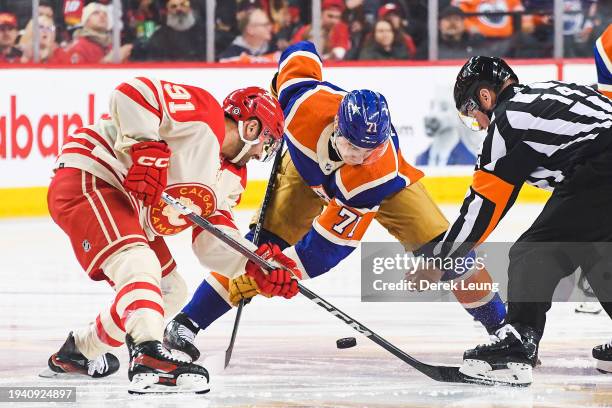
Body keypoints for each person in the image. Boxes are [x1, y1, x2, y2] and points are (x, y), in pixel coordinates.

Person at [162, 40, 507, 363]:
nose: (359, 156)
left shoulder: (375, 173)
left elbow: (324, 250)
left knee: (450, 256)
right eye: (353, 146)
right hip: (303, 170)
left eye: (369, 149)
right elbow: (301, 51)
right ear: (338, 125)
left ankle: (505, 332)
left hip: (385, 191)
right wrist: (276, 86)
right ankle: (186, 324)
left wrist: (280, 272)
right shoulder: (301, 103)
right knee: (257, 250)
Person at [45, 79, 301, 393]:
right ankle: (149, 352)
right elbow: (132, 93)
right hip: (94, 175)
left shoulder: (232, 178)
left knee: (171, 291)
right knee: (139, 262)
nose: (262, 153)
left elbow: (210, 239)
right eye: (267, 142)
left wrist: (252, 264)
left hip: (129, 207)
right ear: (250, 127)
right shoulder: (204, 113)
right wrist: (145, 146)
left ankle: (79, 351)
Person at [424, 55, 612, 386]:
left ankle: (516, 348)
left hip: (603, 166)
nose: (478, 125)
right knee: (595, 253)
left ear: (485, 96)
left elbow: (485, 203)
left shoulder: (508, 120)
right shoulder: (549, 93)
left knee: (534, 252)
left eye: (471, 115)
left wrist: (443, 257)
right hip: (601, 165)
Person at [415, 90, 481, 166]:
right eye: (432, 106)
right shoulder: (420, 160)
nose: (432, 114)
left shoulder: (469, 161)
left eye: (444, 108)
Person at [138, 0, 206, 61]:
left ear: (190, 9)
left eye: (183, 4)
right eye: (173, 6)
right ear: (168, 12)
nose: (179, 9)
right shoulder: (158, 37)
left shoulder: (204, 33)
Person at [65, 2, 132, 63]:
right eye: (95, 13)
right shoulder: (79, 46)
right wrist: (107, 61)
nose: (102, 16)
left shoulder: (111, 45)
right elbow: (77, 75)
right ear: (86, 20)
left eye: (105, 14)